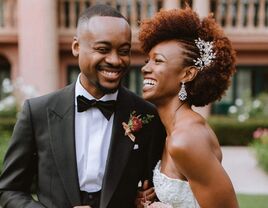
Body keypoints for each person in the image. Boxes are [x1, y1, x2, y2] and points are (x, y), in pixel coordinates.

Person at [0, 4, 165, 208]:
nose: (115, 60)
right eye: (103, 49)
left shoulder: (147, 115)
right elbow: (9, 191)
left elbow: (156, 189)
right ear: (76, 47)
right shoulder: (37, 112)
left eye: (124, 51)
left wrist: (147, 200)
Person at [138, 6, 239, 208]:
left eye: (158, 61)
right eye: (147, 60)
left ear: (187, 75)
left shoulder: (187, 140)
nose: (145, 68)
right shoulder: (171, 131)